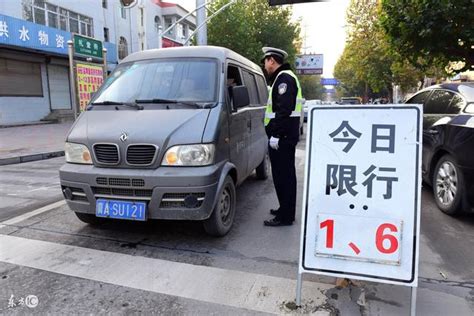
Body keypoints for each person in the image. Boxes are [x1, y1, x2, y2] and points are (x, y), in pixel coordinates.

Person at [261, 47, 303, 227]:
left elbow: (283, 110)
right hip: (284, 137)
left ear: (272, 60)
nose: (264, 65)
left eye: (265, 61)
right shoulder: (284, 77)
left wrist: (276, 135)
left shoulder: (284, 79)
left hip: (282, 138)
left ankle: (285, 217)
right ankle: (284, 209)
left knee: (283, 176)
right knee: (283, 175)